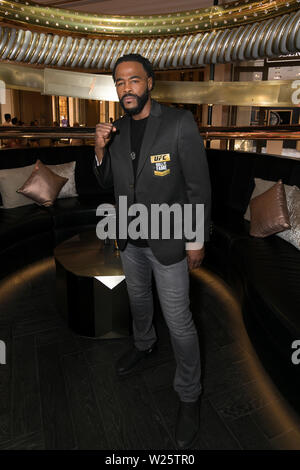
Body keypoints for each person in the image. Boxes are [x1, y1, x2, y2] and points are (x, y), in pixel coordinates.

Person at [93, 53, 211, 449]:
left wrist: (195, 241)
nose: (126, 88)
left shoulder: (179, 123)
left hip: (170, 241)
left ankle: (189, 394)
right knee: (139, 302)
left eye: (134, 80)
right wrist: (98, 147)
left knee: (179, 322)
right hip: (130, 239)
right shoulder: (118, 130)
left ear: (150, 82)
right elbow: (108, 180)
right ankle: (144, 345)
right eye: (120, 83)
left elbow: (197, 187)